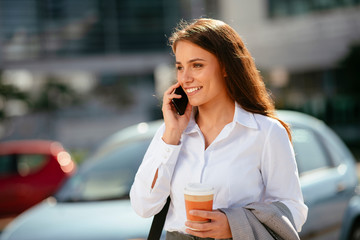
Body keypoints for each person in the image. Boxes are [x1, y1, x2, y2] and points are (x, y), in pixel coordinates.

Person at [130, 18, 308, 239]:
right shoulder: (170, 134)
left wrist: (234, 225)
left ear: (225, 67)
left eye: (197, 65)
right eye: (179, 67)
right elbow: (143, 206)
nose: (185, 78)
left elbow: (293, 213)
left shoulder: (266, 133)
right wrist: (172, 136)